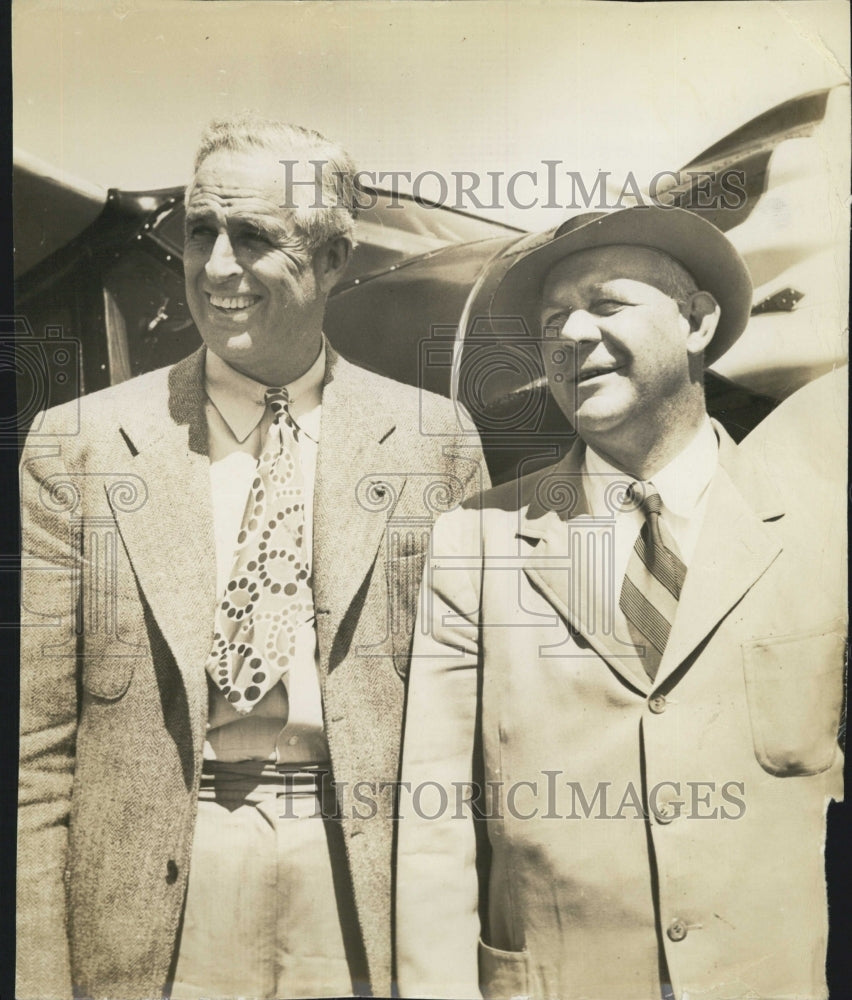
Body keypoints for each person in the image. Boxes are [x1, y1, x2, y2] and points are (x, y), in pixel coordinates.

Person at [17, 114, 487, 1000]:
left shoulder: (437, 442)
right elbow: (33, 756)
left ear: (335, 259)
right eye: (201, 231)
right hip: (159, 891)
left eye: (256, 236)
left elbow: (476, 729)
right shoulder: (75, 446)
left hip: (363, 888)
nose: (218, 267)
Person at [395, 206, 846, 1000]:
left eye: (606, 303)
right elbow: (434, 827)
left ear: (697, 321)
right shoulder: (474, 541)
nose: (572, 334)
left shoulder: (824, 528)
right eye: (552, 323)